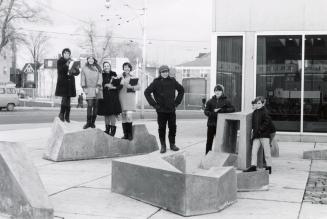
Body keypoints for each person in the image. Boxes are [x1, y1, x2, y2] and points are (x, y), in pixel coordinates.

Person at [144, 65, 184, 153]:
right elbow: (146, 92)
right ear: (160, 73)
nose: (165, 73)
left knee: (172, 128)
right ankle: (163, 146)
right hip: (161, 110)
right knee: (162, 128)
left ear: (168, 72)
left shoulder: (172, 81)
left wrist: (177, 102)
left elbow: (181, 90)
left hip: (171, 110)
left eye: (166, 71)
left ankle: (172, 144)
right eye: (163, 72)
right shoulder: (156, 82)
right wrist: (154, 105)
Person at [244, 96, 274, 174]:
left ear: (263, 104)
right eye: (257, 103)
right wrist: (253, 132)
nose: (258, 104)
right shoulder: (255, 112)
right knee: (254, 151)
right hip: (256, 136)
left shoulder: (265, 112)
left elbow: (267, 122)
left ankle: (269, 167)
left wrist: (260, 130)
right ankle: (253, 166)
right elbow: (254, 124)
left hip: (264, 135)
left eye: (259, 103)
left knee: (267, 152)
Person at [204, 84, 235, 154]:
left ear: (222, 92)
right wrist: (212, 113)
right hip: (211, 124)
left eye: (219, 90)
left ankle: (218, 154)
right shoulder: (210, 101)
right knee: (209, 141)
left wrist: (222, 110)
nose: (217, 92)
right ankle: (207, 155)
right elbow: (206, 111)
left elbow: (233, 109)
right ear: (214, 92)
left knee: (220, 141)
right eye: (216, 90)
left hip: (221, 124)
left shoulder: (226, 101)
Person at [55, 48, 80, 123]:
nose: (66, 54)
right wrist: (67, 64)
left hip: (70, 83)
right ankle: (62, 114)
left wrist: (76, 69)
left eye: (68, 53)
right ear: (63, 54)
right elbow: (61, 70)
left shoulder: (72, 61)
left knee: (68, 100)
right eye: (65, 53)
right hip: (63, 83)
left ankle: (67, 115)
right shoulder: (60, 61)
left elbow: (76, 73)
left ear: (69, 54)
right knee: (64, 98)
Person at [97, 62, 122, 136]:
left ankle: (113, 131)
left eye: (107, 66)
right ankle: (107, 130)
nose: (106, 67)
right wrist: (105, 85)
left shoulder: (114, 74)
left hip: (113, 97)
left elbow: (119, 86)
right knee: (106, 114)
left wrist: (113, 87)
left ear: (110, 67)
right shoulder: (101, 75)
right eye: (105, 66)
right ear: (103, 67)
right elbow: (99, 84)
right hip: (104, 96)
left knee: (112, 114)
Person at [118, 62, 140, 140]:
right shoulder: (119, 76)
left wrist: (132, 87)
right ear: (123, 68)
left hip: (130, 98)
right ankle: (125, 135)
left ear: (130, 68)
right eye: (125, 67)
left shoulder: (133, 77)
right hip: (121, 97)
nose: (126, 68)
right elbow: (116, 86)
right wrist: (119, 82)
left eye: (128, 67)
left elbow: (139, 87)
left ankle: (130, 134)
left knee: (129, 116)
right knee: (123, 117)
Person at [81, 56, 103, 129]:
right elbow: (83, 78)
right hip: (89, 89)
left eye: (92, 58)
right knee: (90, 105)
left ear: (94, 60)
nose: (91, 60)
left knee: (96, 106)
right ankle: (88, 123)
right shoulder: (84, 68)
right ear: (87, 60)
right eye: (89, 58)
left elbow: (100, 78)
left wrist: (98, 87)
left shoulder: (98, 68)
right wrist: (84, 88)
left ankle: (93, 123)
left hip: (97, 89)